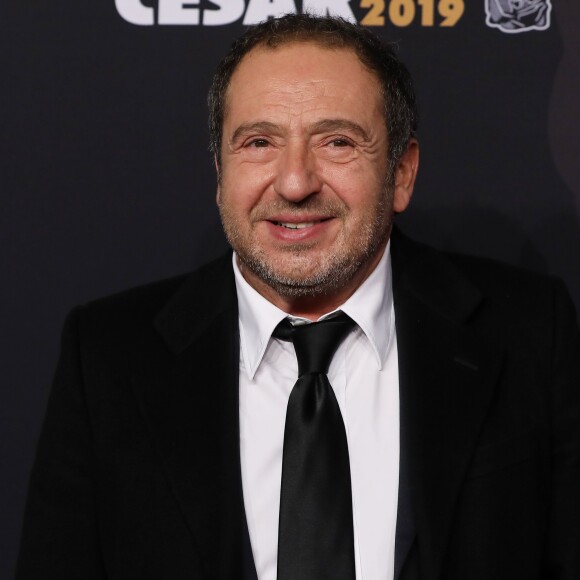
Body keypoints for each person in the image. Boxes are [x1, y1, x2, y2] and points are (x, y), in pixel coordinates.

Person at [16, 13, 580, 580]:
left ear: (402, 173)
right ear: (219, 174)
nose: (294, 182)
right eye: (259, 142)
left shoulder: (530, 332)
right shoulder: (108, 357)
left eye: (337, 142)